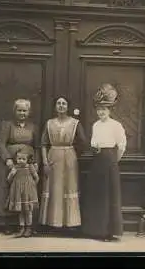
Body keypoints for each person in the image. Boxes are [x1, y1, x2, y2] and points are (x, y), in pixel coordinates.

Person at [81, 84, 127, 242]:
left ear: (110, 110)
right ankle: (96, 230)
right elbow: (94, 143)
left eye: (104, 109)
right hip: (97, 161)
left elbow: (121, 146)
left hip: (110, 160)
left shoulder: (116, 125)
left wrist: (113, 160)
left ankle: (109, 232)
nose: (101, 112)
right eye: (99, 109)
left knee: (109, 196)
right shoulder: (95, 125)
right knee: (98, 195)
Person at [0, 99, 40, 235]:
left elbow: (37, 147)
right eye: (19, 110)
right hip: (9, 164)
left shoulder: (33, 127)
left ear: (29, 112)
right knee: (6, 191)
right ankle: (7, 223)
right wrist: (8, 159)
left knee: (24, 192)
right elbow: (1, 144)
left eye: (25, 110)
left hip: (26, 165)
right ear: (15, 111)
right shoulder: (7, 125)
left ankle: (24, 224)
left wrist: (35, 162)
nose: (22, 113)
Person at [38, 96, 87, 235]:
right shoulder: (49, 123)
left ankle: (70, 223)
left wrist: (73, 153)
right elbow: (43, 144)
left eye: (64, 103)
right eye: (58, 103)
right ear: (55, 106)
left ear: (67, 106)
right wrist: (45, 162)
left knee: (69, 186)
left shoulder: (75, 123)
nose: (61, 106)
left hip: (69, 157)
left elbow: (83, 141)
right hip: (53, 156)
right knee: (54, 188)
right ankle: (53, 223)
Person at [6, 149, 40, 238]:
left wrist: (32, 186)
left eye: (23, 159)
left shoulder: (30, 167)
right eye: (19, 158)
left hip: (28, 192)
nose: (21, 160)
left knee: (28, 210)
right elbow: (9, 180)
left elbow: (36, 177)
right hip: (18, 192)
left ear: (27, 160)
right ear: (16, 159)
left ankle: (28, 228)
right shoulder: (15, 168)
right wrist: (12, 174)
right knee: (20, 211)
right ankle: (22, 227)